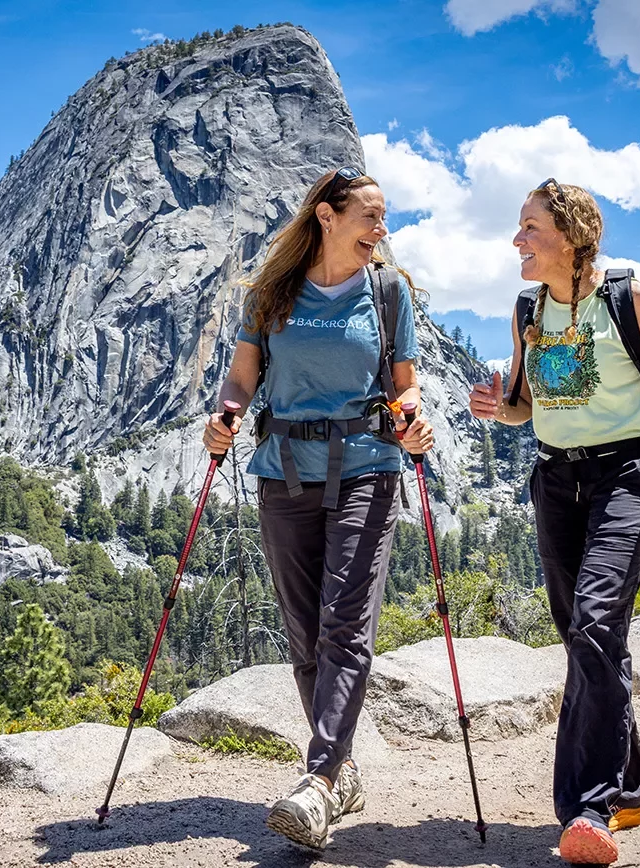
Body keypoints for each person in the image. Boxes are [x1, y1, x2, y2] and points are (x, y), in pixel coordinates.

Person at [467, 179, 640, 866]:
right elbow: (521, 404)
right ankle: (631, 785)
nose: (517, 240)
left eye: (529, 227)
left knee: (596, 624)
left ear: (571, 235)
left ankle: (588, 808)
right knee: (582, 632)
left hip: (628, 473)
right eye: (519, 227)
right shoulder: (527, 309)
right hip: (556, 479)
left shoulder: (629, 297)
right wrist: (499, 406)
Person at [201, 166, 434, 851]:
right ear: (327, 216)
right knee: (306, 638)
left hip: (367, 468)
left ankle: (321, 780)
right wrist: (228, 414)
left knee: (345, 627)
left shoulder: (387, 292)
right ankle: (344, 770)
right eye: (370, 216)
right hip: (284, 476)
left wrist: (411, 418)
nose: (381, 230)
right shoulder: (274, 293)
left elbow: (405, 384)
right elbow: (243, 376)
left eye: (383, 218)